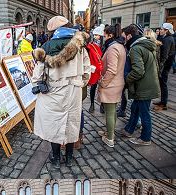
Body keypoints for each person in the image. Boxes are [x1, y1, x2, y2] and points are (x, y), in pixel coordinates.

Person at [32, 16, 91, 168]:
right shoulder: (80, 45)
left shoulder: (46, 46)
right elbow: (86, 70)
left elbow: (38, 74)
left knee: (54, 124)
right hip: (73, 90)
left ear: (52, 31)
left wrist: (38, 85)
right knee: (72, 122)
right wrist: (80, 83)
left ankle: (56, 159)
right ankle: (70, 158)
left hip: (53, 91)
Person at [120, 24, 160, 146]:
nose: (124, 40)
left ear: (130, 36)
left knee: (144, 113)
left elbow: (138, 71)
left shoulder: (136, 48)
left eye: (124, 37)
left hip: (143, 87)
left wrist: (127, 78)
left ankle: (145, 138)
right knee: (135, 109)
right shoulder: (146, 45)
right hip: (146, 85)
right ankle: (128, 130)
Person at [97, 24, 126, 148]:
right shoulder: (119, 46)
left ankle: (109, 138)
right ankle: (109, 132)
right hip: (117, 83)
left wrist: (103, 82)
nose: (103, 36)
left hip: (111, 85)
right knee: (112, 111)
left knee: (109, 112)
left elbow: (112, 70)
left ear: (110, 35)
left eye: (105, 34)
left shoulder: (113, 48)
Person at [153, 23, 175, 111]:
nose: (160, 30)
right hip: (166, 65)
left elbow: (164, 55)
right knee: (162, 84)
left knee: (163, 84)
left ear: (167, 30)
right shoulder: (166, 38)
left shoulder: (168, 39)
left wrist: (160, 67)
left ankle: (164, 103)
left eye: (162, 29)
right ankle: (162, 101)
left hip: (165, 65)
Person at [87, 25, 104, 113]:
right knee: (93, 87)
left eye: (97, 35)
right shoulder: (91, 45)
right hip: (94, 68)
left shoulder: (104, 45)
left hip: (102, 68)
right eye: (95, 35)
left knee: (102, 88)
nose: (95, 36)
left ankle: (102, 104)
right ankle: (92, 104)